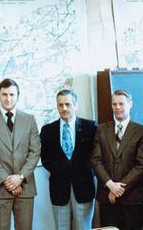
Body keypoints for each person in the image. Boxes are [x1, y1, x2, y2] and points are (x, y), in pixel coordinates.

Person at [0, 78, 41, 230]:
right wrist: (8, 181)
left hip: (25, 187)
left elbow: (35, 151)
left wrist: (20, 178)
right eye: (4, 94)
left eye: (12, 94)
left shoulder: (29, 120)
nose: (8, 98)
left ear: (18, 96)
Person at [91, 89, 143, 230]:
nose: (117, 108)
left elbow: (142, 165)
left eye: (121, 104)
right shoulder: (101, 130)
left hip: (132, 198)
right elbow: (96, 160)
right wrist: (110, 184)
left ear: (130, 104)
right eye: (114, 104)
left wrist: (119, 188)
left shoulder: (141, 131)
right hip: (107, 197)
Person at [40, 89, 97, 230]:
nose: (64, 108)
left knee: (83, 227)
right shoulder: (47, 130)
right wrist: (63, 170)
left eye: (68, 104)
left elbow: (94, 156)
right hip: (59, 188)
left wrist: (77, 169)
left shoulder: (90, 127)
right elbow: (45, 159)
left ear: (75, 105)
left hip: (83, 187)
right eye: (60, 105)